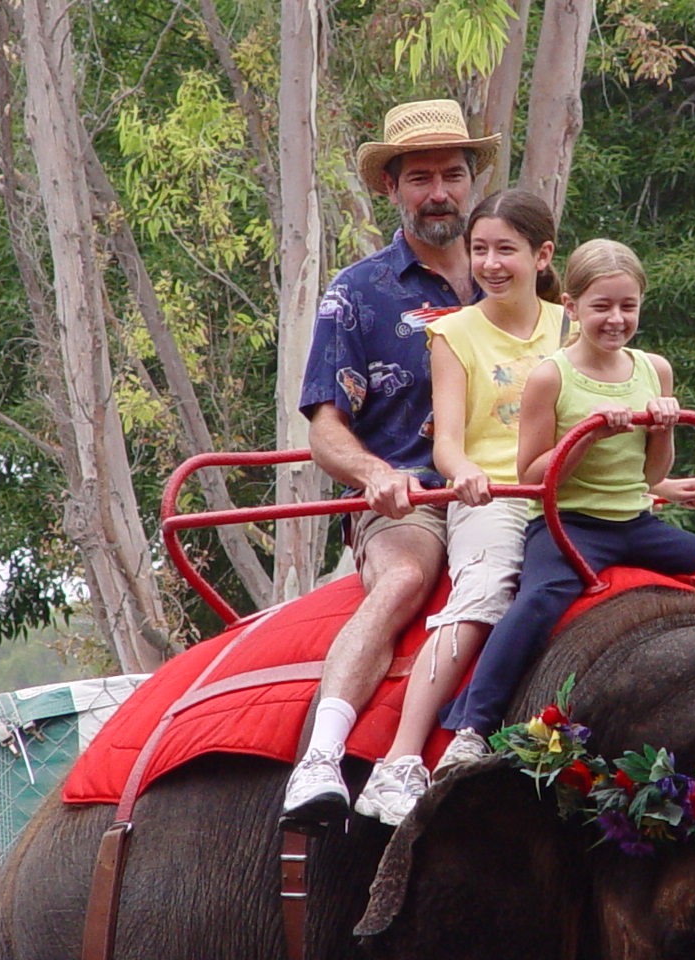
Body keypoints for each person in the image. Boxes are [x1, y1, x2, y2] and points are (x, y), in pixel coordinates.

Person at [436, 239, 695, 763]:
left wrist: (663, 428)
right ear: (571, 307)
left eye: (627, 306)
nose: (616, 319)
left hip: (634, 522)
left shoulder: (652, 369)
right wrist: (589, 435)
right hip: (568, 526)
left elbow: (653, 474)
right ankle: (472, 727)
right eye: (601, 306)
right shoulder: (552, 376)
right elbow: (533, 473)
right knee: (537, 603)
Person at [281, 99, 500, 826]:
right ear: (392, 188)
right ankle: (322, 759)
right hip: (417, 502)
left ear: (474, 181)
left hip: (513, 489)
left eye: (453, 175)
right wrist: (378, 476)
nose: (439, 193)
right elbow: (325, 431)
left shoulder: (512, 277)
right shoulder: (359, 293)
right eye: (421, 178)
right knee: (407, 575)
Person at [352, 190, 565, 824]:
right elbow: (445, 443)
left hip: (567, 491)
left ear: (543, 256)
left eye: (506, 250)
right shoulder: (453, 333)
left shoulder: (572, 327)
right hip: (494, 492)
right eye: (480, 250)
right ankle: (401, 758)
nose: (491, 264)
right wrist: (467, 472)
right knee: (487, 586)